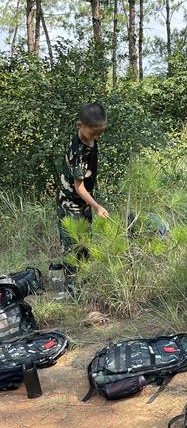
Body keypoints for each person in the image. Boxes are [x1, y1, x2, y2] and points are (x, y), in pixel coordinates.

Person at [56, 103, 109, 295]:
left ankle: (86, 286)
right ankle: (73, 292)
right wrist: (97, 206)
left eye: (100, 133)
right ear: (80, 125)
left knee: (86, 245)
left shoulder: (92, 139)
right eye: (93, 133)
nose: (96, 137)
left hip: (85, 202)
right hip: (70, 204)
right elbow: (79, 187)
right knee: (72, 247)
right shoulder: (77, 151)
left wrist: (91, 204)